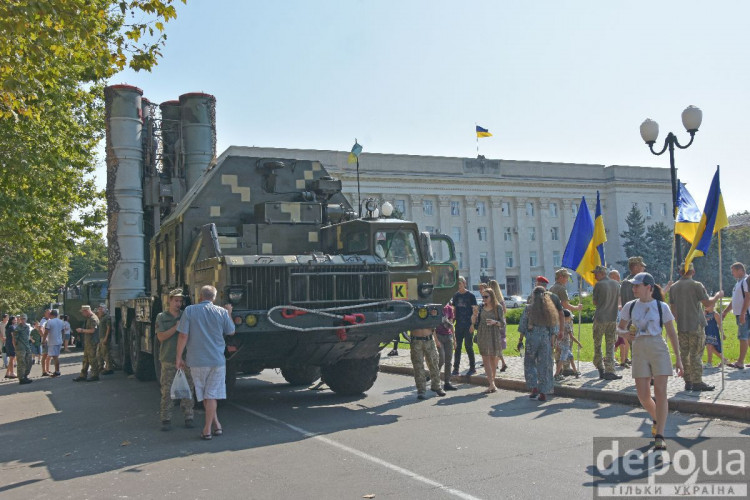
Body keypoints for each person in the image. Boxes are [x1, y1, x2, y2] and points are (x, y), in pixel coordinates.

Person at [618, 272, 683, 451]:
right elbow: (619, 328)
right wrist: (625, 334)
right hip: (638, 348)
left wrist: (679, 358)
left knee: (661, 392)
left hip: (658, 347)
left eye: (637, 285)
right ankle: (656, 418)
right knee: (643, 395)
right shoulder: (630, 306)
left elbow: (671, 333)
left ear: (649, 287)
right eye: (633, 285)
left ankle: (660, 435)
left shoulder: (662, 307)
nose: (634, 288)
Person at [176, 285, 236, 440]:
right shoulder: (221, 312)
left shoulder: (189, 311)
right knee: (210, 395)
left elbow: (183, 336)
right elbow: (231, 331)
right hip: (217, 360)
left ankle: (208, 429)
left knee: (206, 395)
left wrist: (178, 357)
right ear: (214, 298)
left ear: (200, 296)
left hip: (196, 361)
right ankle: (216, 425)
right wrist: (229, 313)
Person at [669, 261, 724, 391]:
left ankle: (688, 381)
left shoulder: (674, 287)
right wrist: (717, 295)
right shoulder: (696, 285)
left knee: (685, 353)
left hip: (682, 325)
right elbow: (707, 303)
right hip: (696, 324)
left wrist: (678, 319)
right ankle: (697, 381)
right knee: (696, 353)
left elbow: (672, 308)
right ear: (693, 272)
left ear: (680, 272)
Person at [156, 289, 195, 431]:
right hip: (168, 358)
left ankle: (189, 416)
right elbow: (160, 337)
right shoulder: (162, 317)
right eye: (176, 301)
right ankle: (166, 418)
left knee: (188, 389)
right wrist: (175, 327)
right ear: (169, 301)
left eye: (180, 301)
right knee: (167, 390)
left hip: (186, 359)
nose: (178, 303)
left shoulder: (185, 315)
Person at [518, 287, 558, 401]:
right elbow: (554, 327)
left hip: (531, 338)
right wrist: (552, 341)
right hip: (545, 338)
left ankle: (534, 387)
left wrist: (520, 340)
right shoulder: (549, 309)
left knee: (530, 363)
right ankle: (544, 392)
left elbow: (523, 325)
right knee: (544, 365)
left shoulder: (528, 308)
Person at [592, 265, 621, 380]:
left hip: (600, 318)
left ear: (601, 274)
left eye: (596, 274)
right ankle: (610, 370)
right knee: (610, 344)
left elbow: (595, 302)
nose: (594, 276)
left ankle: (600, 368)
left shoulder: (599, 285)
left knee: (597, 344)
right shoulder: (616, 284)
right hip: (612, 318)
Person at [721, 262, 750, 369]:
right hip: (740, 314)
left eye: (733, 271)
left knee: (743, 337)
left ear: (740, 270)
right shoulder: (738, 283)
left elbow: (748, 298)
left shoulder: (746, 281)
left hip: (745, 314)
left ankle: (740, 362)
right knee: (748, 338)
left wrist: (743, 313)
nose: (732, 273)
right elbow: (735, 301)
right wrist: (725, 311)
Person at [476, 288, 505, 393]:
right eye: (483, 297)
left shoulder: (498, 308)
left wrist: (494, 322)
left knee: (493, 358)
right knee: (485, 358)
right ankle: (491, 383)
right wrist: (474, 315)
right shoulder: (480, 307)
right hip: (482, 333)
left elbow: (502, 323)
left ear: (492, 296)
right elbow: (475, 321)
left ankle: (493, 382)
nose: (484, 299)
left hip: (494, 333)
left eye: (486, 297)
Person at [409, 325, 446, 400]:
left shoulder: (430, 312)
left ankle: (436, 386)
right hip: (416, 340)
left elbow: (434, 325)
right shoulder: (411, 312)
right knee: (418, 366)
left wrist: (436, 340)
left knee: (434, 363)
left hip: (429, 340)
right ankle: (421, 390)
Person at [452, 277, 478, 376]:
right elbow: (454, 310)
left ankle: (472, 367)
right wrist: (452, 323)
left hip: (468, 325)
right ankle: (456, 368)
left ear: (464, 283)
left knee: (468, 346)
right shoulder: (456, 296)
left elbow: (475, 311)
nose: (458, 286)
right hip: (458, 325)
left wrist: (473, 325)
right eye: (457, 284)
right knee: (457, 347)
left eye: (459, 283)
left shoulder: (471, 295)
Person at [73, 305, 100, 382]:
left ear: (86, 311)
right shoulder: (89, 318)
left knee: (92, 359)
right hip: (88, 342)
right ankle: (83, 375)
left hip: (92, 342)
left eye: (83, 312)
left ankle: (95, 375)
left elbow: (92, 330)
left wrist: (82, 330)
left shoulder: (93, 318)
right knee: (86, 359)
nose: (82, 314)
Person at [435, 302, 457, 391]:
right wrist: (436, 340)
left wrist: (454, 340)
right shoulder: (436, 308)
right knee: (442, 359)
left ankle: (447, 382)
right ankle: (435, 377)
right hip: (439, 336)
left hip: (448, 337)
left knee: (449, 361)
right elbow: (432, 326)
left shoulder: (449, 308)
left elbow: (451, 325)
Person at [555, 309, 582, 380]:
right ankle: (557, 374)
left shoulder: (558, 325)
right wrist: (578, 343)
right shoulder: (567, 325)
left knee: (571, 357)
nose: (570, 319)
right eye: (570, 317)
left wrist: (557, 345)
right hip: (566, 346)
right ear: (566, 317)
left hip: (561, 344)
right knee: (562, 359)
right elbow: (572, 337)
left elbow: (556, 337)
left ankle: (575, 371)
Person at [488, 279, 508, 372]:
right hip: (502, 322)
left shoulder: (492, 300)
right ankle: (502, 363)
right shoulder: (501, 299)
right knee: (498, 344)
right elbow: (505, 311)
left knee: (495, 345)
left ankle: (495, 366)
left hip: (494, 323)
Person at [13, 314, 33, 384]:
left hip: (27, 347)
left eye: (24, 318)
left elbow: (28, 336)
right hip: (20, 348)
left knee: (29, 362)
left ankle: (25, 375)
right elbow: (14, 339)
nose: (23, 320)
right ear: (20, 320)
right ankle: (21, 378)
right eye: (21, 319)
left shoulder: (27, 327)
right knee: (21, 363)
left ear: (26, 319)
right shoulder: (17, 329)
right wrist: (15, 347)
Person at [44, 309, 64, 377]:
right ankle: (57, 370)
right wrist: (62, 339)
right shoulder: (61, 322)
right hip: (59, 341)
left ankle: (57, 371)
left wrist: (43, 340)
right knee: (56, 356)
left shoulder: (50, 322)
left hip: (52, 341)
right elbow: (63, 331)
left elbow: (46, 332)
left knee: (55, 357)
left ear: (51, 315)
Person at [96, 305, 115, 375]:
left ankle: (109, 368)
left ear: (105, 310)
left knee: (106, 353)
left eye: (101, 309)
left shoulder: (107, 317)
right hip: (100, 338)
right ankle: (101, 367)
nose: (99, 311)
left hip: (104, 338)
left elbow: (108, 328)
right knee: (99, 353)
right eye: (99, 309)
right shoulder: (101, 318)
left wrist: (106, 338)